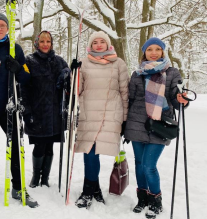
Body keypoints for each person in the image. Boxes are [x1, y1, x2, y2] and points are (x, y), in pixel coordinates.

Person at [0, 12, 38, 208]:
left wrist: (18, 68)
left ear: (8, 28)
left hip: (8, 107)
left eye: (3, 25)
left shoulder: (15, 49)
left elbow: (27, 77)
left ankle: (18, 187)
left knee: (16, 148)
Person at [124, 37, 189, 219]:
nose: (153, 52)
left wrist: (181, 99)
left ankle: (156, 201)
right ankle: (142, 198)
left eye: (157, 49)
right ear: (144, 52)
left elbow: (176, 96)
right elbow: (130, 99)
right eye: (149, 49)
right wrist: (124, 124)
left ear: (162, 52)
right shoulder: (137, 73)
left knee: (148, 166)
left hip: (160, 124)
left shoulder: (172, 72)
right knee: (138, 164)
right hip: (137, 123)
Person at [74, 31, 129, 209]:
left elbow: (124, 92)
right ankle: (91, 189)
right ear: (91, 45)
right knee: (89, 152)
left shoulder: (118, 63)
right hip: (88, 112)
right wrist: (74, 72)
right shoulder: (84, 62)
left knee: (95, 151)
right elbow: (76, 90)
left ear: (108, 44)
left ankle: (90, 189)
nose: (98, 45)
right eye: (95, 42)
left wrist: (125, 119)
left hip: (110, 113)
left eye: (102, 42)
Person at [20, 31, 69, 188]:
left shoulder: (59, 61)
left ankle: (45, 178)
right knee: (39, 146)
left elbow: (69, 83)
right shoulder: (29, 61)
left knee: (50, 146)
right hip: (38, 112)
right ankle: (36, 176)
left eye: (48, 41)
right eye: (42, 41)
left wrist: (69, 73)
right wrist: (26, 111)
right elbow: (24, 88)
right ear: (37, 43)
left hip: (55, 113)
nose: (45, 44)